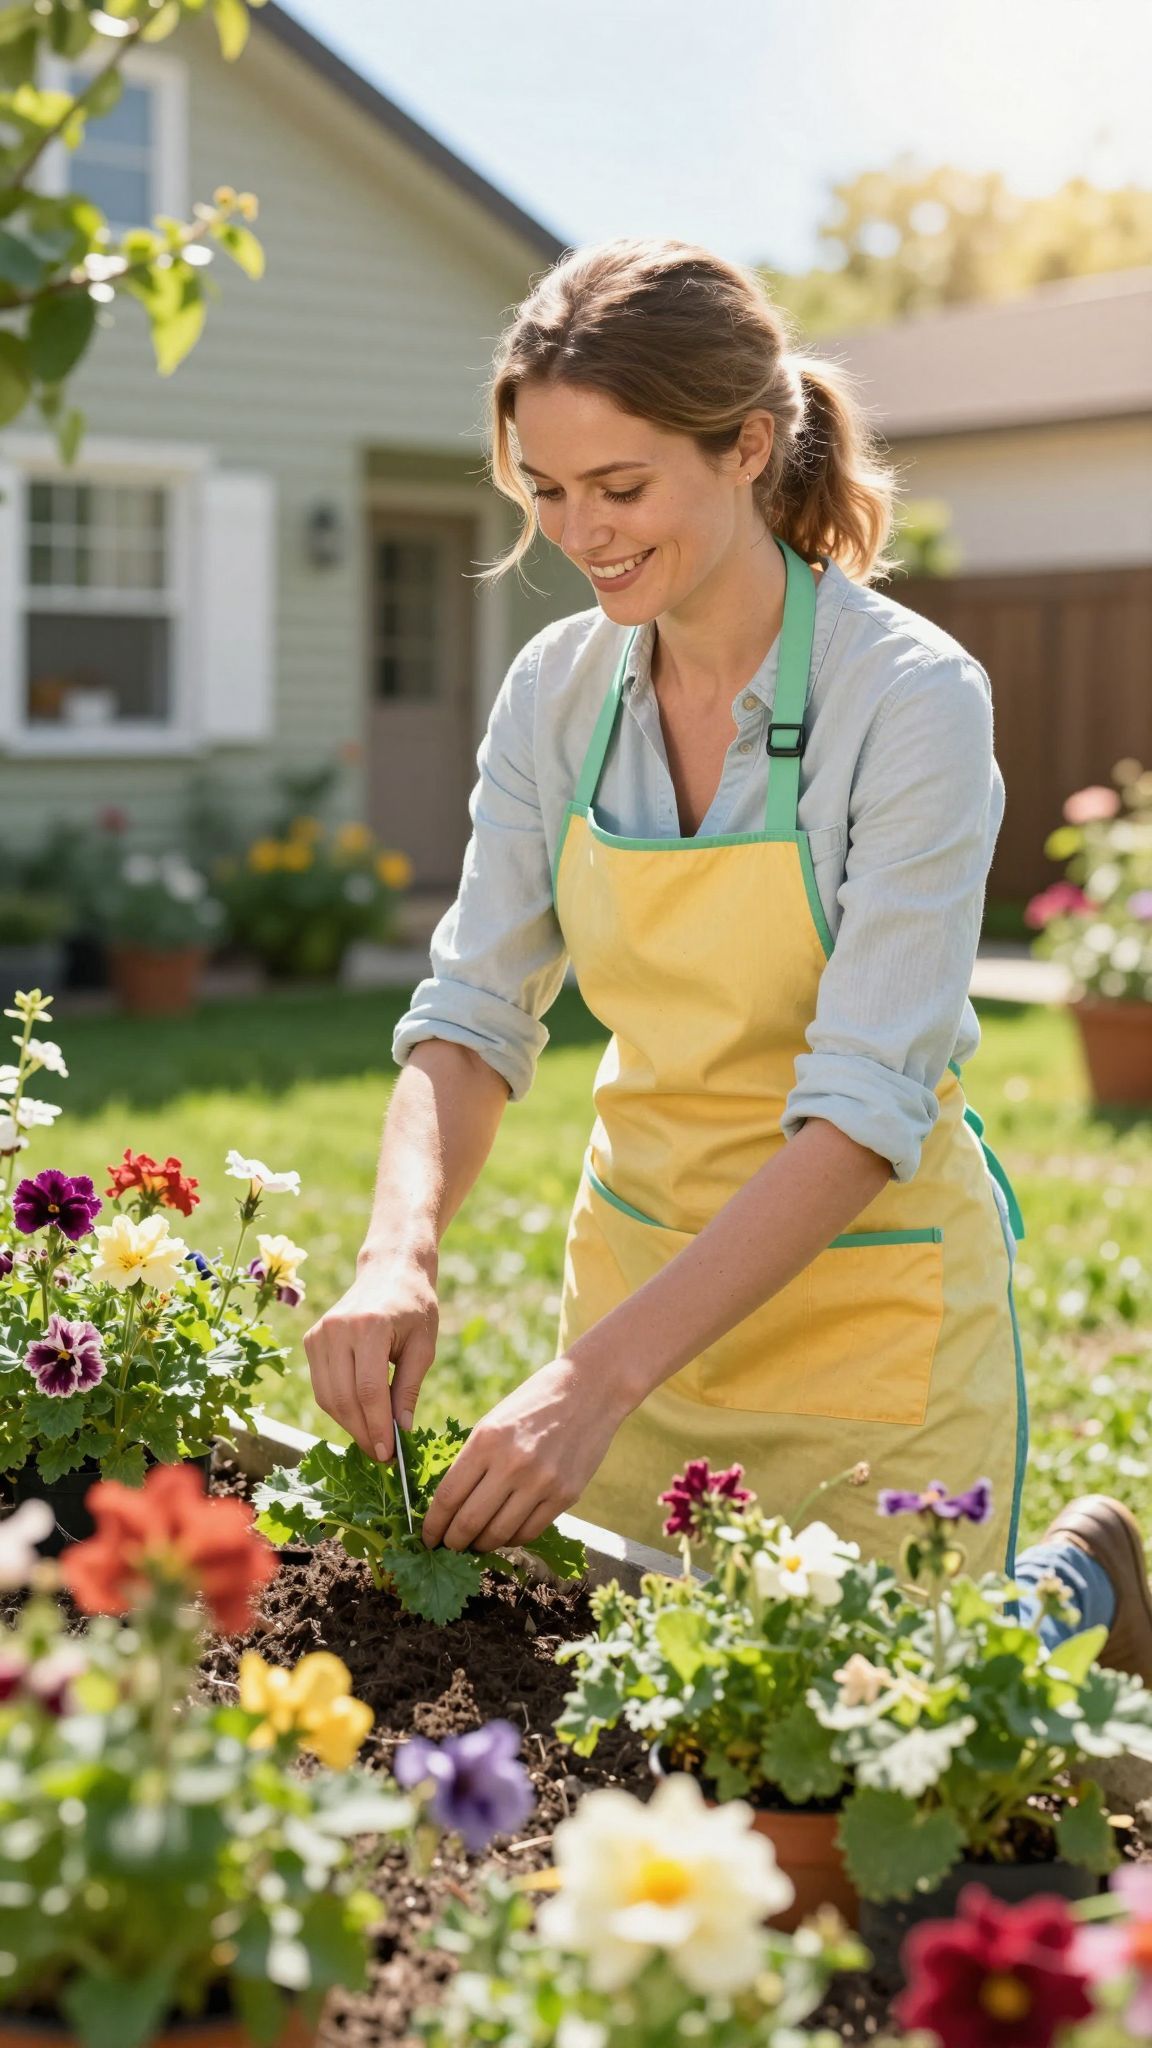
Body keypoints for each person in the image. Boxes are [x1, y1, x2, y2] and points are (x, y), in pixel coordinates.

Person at [302, 236, 1152, 1681]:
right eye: (547, 489)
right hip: (643, 1278)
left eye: (621, 487)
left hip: (862, 1298)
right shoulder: (558, 691)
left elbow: (870, 1100)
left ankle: (1083, 1579)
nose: (581, 531)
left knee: (894, 1713)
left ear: (749, 446)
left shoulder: (909, 699)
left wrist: (583, 1383)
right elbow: (471, 1012)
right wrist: (398, 1255)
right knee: (668, 1709)